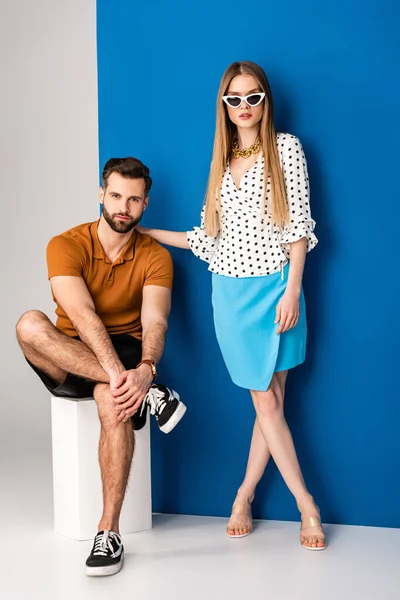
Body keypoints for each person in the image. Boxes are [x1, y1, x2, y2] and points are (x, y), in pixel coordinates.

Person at [137, 61, 326, 550]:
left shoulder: (286, 148)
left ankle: (245, 495)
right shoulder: (221, 162)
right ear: (224, 106)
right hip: (231, 294)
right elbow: (207, 238)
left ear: (266, 100)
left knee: (272, 402)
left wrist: (292, 291)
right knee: (267, 402)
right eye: (234, 99)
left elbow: (299, 226)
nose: (244, 107)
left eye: (253, 97)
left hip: (278, 287)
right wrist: (148, 233)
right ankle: (306, 504)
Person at [16, 157, 187, 576]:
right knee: (29, 325)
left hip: (126, 350)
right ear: (101, 195)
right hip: (69, 348)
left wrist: (146, 367)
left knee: (113, 404)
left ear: (145, 203)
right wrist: (134, 381)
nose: (122, 207)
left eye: (133, 199)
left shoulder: (156, 257)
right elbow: (83, 315)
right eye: (115, 196)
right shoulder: (66, 243)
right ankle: (149, 395)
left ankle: (108, 532)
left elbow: (155, 320)